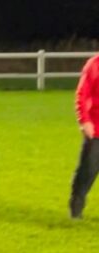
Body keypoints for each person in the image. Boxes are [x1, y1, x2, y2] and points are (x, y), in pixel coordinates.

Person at [70, 54, 99, 219]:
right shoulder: (94, 65)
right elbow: (82, 94)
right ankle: (76, 207)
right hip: (95, 130)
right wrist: (84, 121)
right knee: (88, 170)